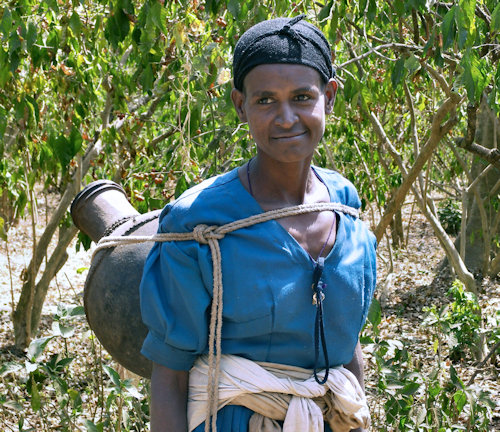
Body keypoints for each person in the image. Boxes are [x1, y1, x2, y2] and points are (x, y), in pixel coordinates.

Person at [139, 15, 377, 432]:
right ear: (240, 104)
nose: (285, 118)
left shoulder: (346, 208)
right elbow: (170, 377)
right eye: (265, 100)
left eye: (303, 96)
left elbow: (347, 345)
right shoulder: (200, 224)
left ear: (330, 96)